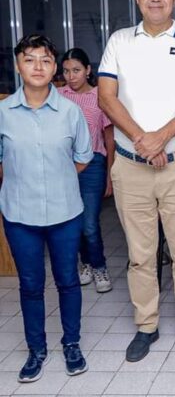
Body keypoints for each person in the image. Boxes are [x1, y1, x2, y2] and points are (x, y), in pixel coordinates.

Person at [98, 0, 175, 363]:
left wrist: (160, 138)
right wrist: (144, 143)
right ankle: (146, 325)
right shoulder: (118, 41)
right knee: (140, 254)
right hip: (131, 166)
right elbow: (106, 99)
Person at [1, 35, 93, 382]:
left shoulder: (71, 111)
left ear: (54, 67)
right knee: (30, 284)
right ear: (18, 65)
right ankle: (35, 350)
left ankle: (72, 343)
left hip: (65, 213)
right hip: (19, 215)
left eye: (44, 60)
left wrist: (57, 178)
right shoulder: (3, 113)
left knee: (68, 281)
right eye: (29, 59)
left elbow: (83, 157)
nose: (37, 66)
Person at [59, 48, 116, 293]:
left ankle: (100, 266)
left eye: (76, 70)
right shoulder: (58, 96)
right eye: (66, 71)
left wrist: (110, 174)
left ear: (88, 70)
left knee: (90, 223)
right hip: (64, 165)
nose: (71, 76)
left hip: (93, 163)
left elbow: (109, 138)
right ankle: (85, 264)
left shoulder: (99, 97)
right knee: (74, 220)